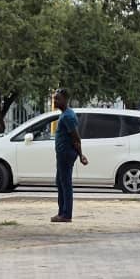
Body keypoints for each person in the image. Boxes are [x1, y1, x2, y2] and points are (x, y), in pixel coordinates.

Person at [52, 88, 88, 223]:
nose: (55, 101)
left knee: (65, 184)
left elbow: (76, 138)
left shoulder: (68, 116)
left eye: (58, 98)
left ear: (65, 100)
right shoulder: (65, 114)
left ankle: (66, 214)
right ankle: (62, 212)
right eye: (54, 98)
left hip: (66, 154)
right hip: (62, 154)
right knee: (60, 182)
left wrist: (81, 155)